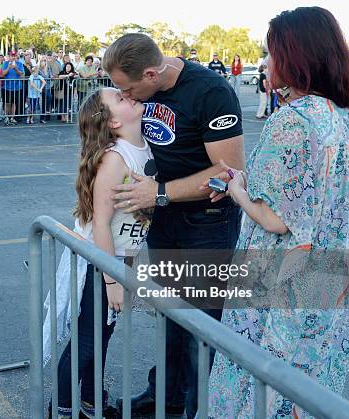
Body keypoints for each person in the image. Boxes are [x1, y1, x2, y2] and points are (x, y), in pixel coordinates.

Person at [205, 7, 349, 418]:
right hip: (331, 281)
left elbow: (277, 219)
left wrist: (238, 191)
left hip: (281, 285)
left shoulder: (291, 121)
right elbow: (315, 196)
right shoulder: (342, 118)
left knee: (257, 389)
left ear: (294, 57)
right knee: (307, 392)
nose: (267, 62)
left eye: (271, 52)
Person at [103, 33, 244, 418]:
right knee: (168, 312)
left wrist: (160, 192)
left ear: (151, 73)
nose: (126, 97)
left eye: (129, 89)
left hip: (208, 222)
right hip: (164, 218)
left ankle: (200, 408)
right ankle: (166, 395)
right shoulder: (143, 91)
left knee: (201, 321)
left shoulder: (210, 92)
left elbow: (229, 172)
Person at [43, 87, 153, 418]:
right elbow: (102, 224)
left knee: (103, 335)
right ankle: (59, 410)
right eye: (119, 98)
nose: (129, 94)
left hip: (120, 259)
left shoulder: (143, 145)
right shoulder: (115, 158)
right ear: (114, 121)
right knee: (87, 340)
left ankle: (91, 403)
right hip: (100, 262)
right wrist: (111, 280)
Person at [1, 51, 24, 125]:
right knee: (7, 102)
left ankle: (12, 118)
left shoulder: (20, 64)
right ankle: (7, 117)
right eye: (12, 56)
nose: (13, 57)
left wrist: (16, 68)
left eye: (14, 56)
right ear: (9, 56)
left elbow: (21, 74)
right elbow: (3, 74)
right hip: (7, 87)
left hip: (17, 87)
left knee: (14, 103)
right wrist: (8, 67)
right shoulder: (5, 63)